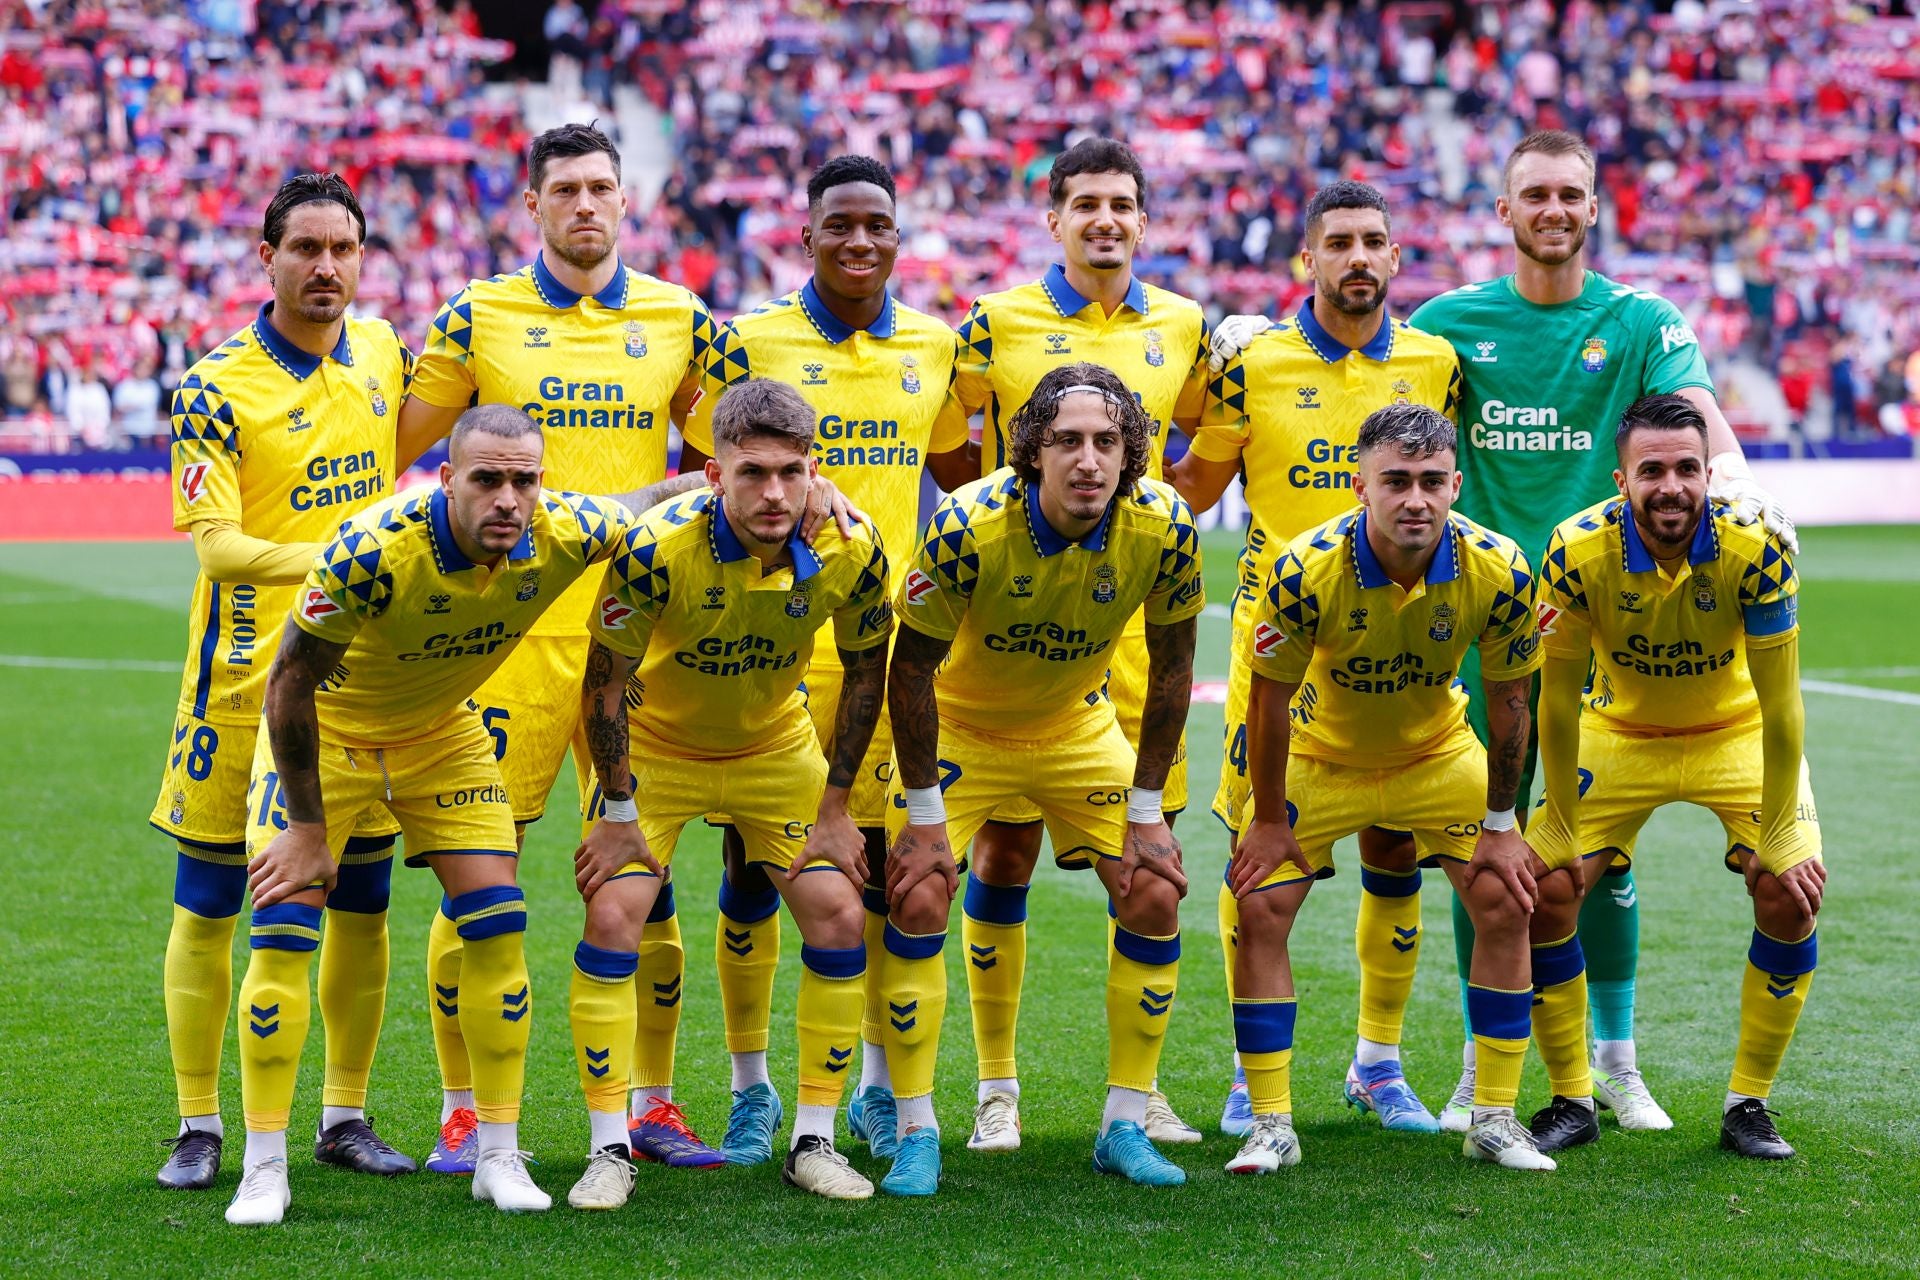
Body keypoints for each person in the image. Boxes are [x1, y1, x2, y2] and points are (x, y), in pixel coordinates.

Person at [1210, 130, 1795, 1134]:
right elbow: (1358, 372)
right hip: (1469, 624)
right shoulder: (1448, 329)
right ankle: (1479, 1075)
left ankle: (1614, 1062)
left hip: (1601, 624)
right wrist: (1255, 334)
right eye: (1536, 193)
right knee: (1477, 842)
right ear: (1505, 212)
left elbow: (1695, 410)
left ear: (1595, 207)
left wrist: (1738, 485)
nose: (1555, 208)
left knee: (1592, 854)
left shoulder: (1642, 318)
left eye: (1572, 191)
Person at [223, 404, 685, 1224]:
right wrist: (307, 827)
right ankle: (264, 1166)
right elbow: (288, 684)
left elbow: (652, 498)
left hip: (442, 736)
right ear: (447, 482)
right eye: (488, 480)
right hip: (327, 737)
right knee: (286, 928)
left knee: (499, 924)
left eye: (525, 480)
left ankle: (498, 1155)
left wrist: (789, 489)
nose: (509, 498)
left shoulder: (560, 527)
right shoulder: (373, 549)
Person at [397, 122, 724, 1171]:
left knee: (648, 876)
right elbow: (393, 448)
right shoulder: (476, 314)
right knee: (477, 874)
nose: (586, 204)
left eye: (602, 188)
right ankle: (460, 1108)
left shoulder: (681, 318)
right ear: (529, 205)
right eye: (565, 190)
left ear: (628, 201)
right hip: (506, 641)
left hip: (638, 637)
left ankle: (653, 1102)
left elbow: (732, 462)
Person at [674, 155, 976, 1164]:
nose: (859, 241)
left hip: (876, 648)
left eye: (877, 225)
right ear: (806, 237)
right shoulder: (751, 339)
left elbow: (957, 475)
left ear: (898, 237)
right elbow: (700, 475)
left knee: (878, 869)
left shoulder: (931, 346)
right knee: (751, 868)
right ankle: (750, 1084)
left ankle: (879, 1090)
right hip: (763, 646)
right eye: (838, 225)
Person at [1169, 179, 1461, 1137]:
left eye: (1375, 240)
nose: (1359, 258)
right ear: (1308, 258)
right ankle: (1261, 1078)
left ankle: (1379, 1064)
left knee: (1397, 849)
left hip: (1408, 645)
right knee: (1259, 859)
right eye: (1338, 242)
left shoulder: (1435, 361)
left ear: (1395, 255)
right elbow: (1189, 485)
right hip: (1279, 649)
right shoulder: (1251, 362)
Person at [149, 173, 416, 1194]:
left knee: (362, 897)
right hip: (237, 682)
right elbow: (216, 546)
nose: (326, 268)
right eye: (305, 248)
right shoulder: (217, 384)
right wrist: (350, 553)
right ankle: (197, 1121)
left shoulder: (384, 350)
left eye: (343, 248)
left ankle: (345, 1112)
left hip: (359, 681)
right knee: (211, 898)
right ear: (266, 257)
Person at [880, 362, 1205, 1194]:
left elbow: (1172, 671)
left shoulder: (1163, 523)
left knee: (1155, 890)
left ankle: (1125, 1125)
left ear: (1131, 452)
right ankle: (916, 1128)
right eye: (1066, 441)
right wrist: (920, 816)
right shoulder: (965, 526)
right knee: (917, 892)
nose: (1088, 460)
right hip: (963, 725)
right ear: (1031, 452)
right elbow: (908, 672)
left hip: (1075, 725)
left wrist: (1145, 811)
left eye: (1107, 442)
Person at [949, 137, 1211, 1148]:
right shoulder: (995, 321)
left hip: (1127, 644)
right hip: (1010, 644)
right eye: (1086, 203)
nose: (1106, 219)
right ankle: (996, 1084)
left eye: (1124, 204)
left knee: (1152, 860)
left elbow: (1203, 445)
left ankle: (1138, 1093)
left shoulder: (1184, 324)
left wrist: (1148, 542)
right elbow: (947, 441)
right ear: (1052, 217)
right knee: (1002, 853)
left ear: (1145, 221)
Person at [573, 379, 894, 1204]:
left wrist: (836, 808)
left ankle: (814, 1139)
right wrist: (614, 813)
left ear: (814, 469)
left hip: (772, 745)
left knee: (838, 910)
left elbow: (865, 674)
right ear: (715, 474)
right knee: (615, 910)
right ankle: (610, 1150)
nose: (775, 493)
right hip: (658, 752)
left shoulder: (852, 547)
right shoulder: (654, 548)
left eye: (792, 471)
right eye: (752, 473)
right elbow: (603, 686)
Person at [1224, 402, 1552, 1174]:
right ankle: (1270, 1123)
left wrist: (1503, 822)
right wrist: (1268, 821)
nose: (1416, 499)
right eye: (1396, 481)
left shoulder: (1498, 566)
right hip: (1320, 752)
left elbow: (1511, 703)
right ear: (1359, 486)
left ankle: (1495, 1119)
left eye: (1432, 482)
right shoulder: (1305, 569)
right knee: (1261, 902)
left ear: (1455, 485)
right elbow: (1268, 702)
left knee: (1508, 897)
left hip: (1434, 754)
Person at [1525, 394, 1821, 1159]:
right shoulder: (1575, 549)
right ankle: (1571, 1098)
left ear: (1706, 474)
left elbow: (1783, 704)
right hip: (1619, 732)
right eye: (1650, 469)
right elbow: (1555, 701)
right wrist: (1556, 814)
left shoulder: (1757, 542)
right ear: (1621, 479)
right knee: (1545, 887)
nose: (1671, 486)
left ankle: (1747, 1104)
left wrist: (1784, 827)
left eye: (1687, 468)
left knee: (1792, 894)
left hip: (1736, 732)